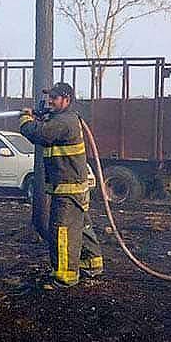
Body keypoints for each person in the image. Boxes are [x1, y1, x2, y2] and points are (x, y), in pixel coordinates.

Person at [19, 82, 103, 288]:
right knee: (80, 226)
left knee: (62, 230)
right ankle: (91, 263)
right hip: (73, 188)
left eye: (55, 98)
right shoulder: (62, 120)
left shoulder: (64, 122)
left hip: (67, 190)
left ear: (67, 100)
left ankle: (65, 277)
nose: (50, 101)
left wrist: (25, 120)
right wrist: (40, 118)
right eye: (50, 97)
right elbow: (48, 132)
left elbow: (39, 134)